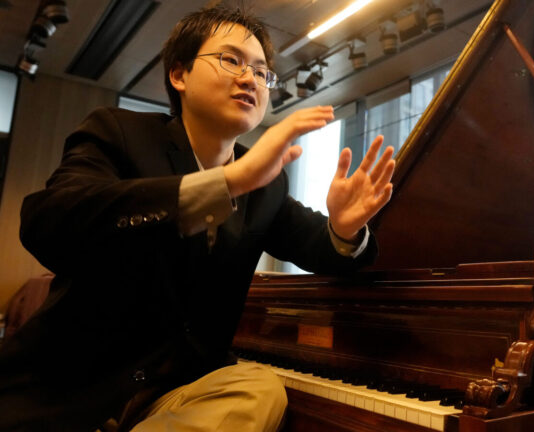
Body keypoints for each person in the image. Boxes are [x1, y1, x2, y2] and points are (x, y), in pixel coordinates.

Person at [0, 5, 395, 432]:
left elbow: (321, 246)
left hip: (178, 392)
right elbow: (47, 222)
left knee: (260, 388)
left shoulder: (267, 185)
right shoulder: (118, 132)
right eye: (231, 60)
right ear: (179, 75)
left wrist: (345, 227)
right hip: (72, 389)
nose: (250, 78)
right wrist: (225, 183)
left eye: (262, 72)